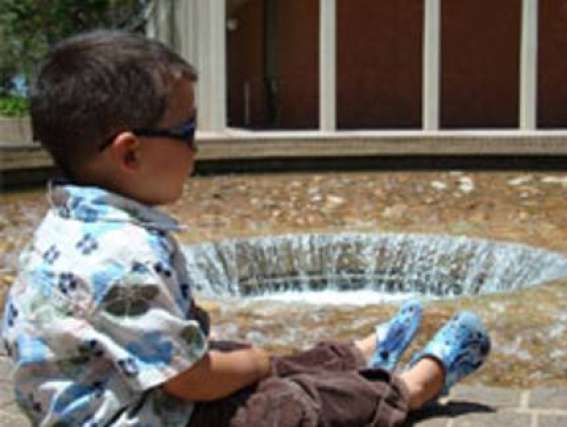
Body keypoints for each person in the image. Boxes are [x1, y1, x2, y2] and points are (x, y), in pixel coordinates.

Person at [0, 30, 490, 427]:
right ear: (130, 153)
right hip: (139, 417)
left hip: (134, 395)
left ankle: (354, 357)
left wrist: (247, 362)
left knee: (240, 362)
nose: (196, 148)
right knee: (284, 406)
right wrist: (255, 364)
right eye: (187, 132)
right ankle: (408, 389)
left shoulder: (68, 226)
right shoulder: (120, 256)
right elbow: (190, 381)